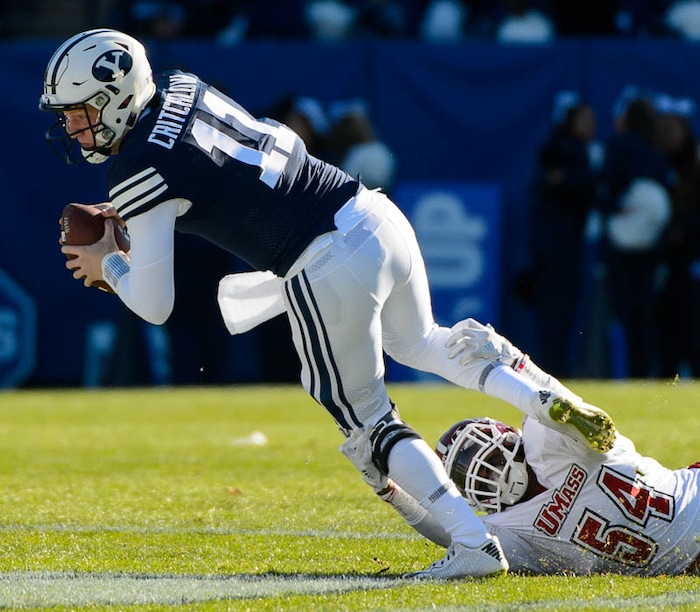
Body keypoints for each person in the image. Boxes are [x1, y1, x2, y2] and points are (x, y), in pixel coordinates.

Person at [40, 28, 616, 580]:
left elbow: (155, 304)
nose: (71, 126)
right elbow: (204, 174)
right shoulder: (182, 85)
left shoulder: (137, 167)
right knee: (423, 342)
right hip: (370, 210)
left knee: (367, 420)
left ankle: (472, 542)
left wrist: (108, 264)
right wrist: (138, 218)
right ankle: (540, 397)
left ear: (115, 99)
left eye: (77, 111)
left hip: (325, 257)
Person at [436, 318, 700, 575]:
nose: (493, 474)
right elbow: (555, 401)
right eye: (481, 478)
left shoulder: (541, 449)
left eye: (492, 462)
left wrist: (513, 358)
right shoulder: (509, 526)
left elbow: (560, 405)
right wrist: (394, 492)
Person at [527, 92, 599, 378]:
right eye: (584, 120)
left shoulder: (560, 151)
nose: (591, 127)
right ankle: (553, 372)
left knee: (558, 317)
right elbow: (565, 183)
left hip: (554, 249)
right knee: (556, 316)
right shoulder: (563, 150)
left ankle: (554, 369)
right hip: (558, 251)